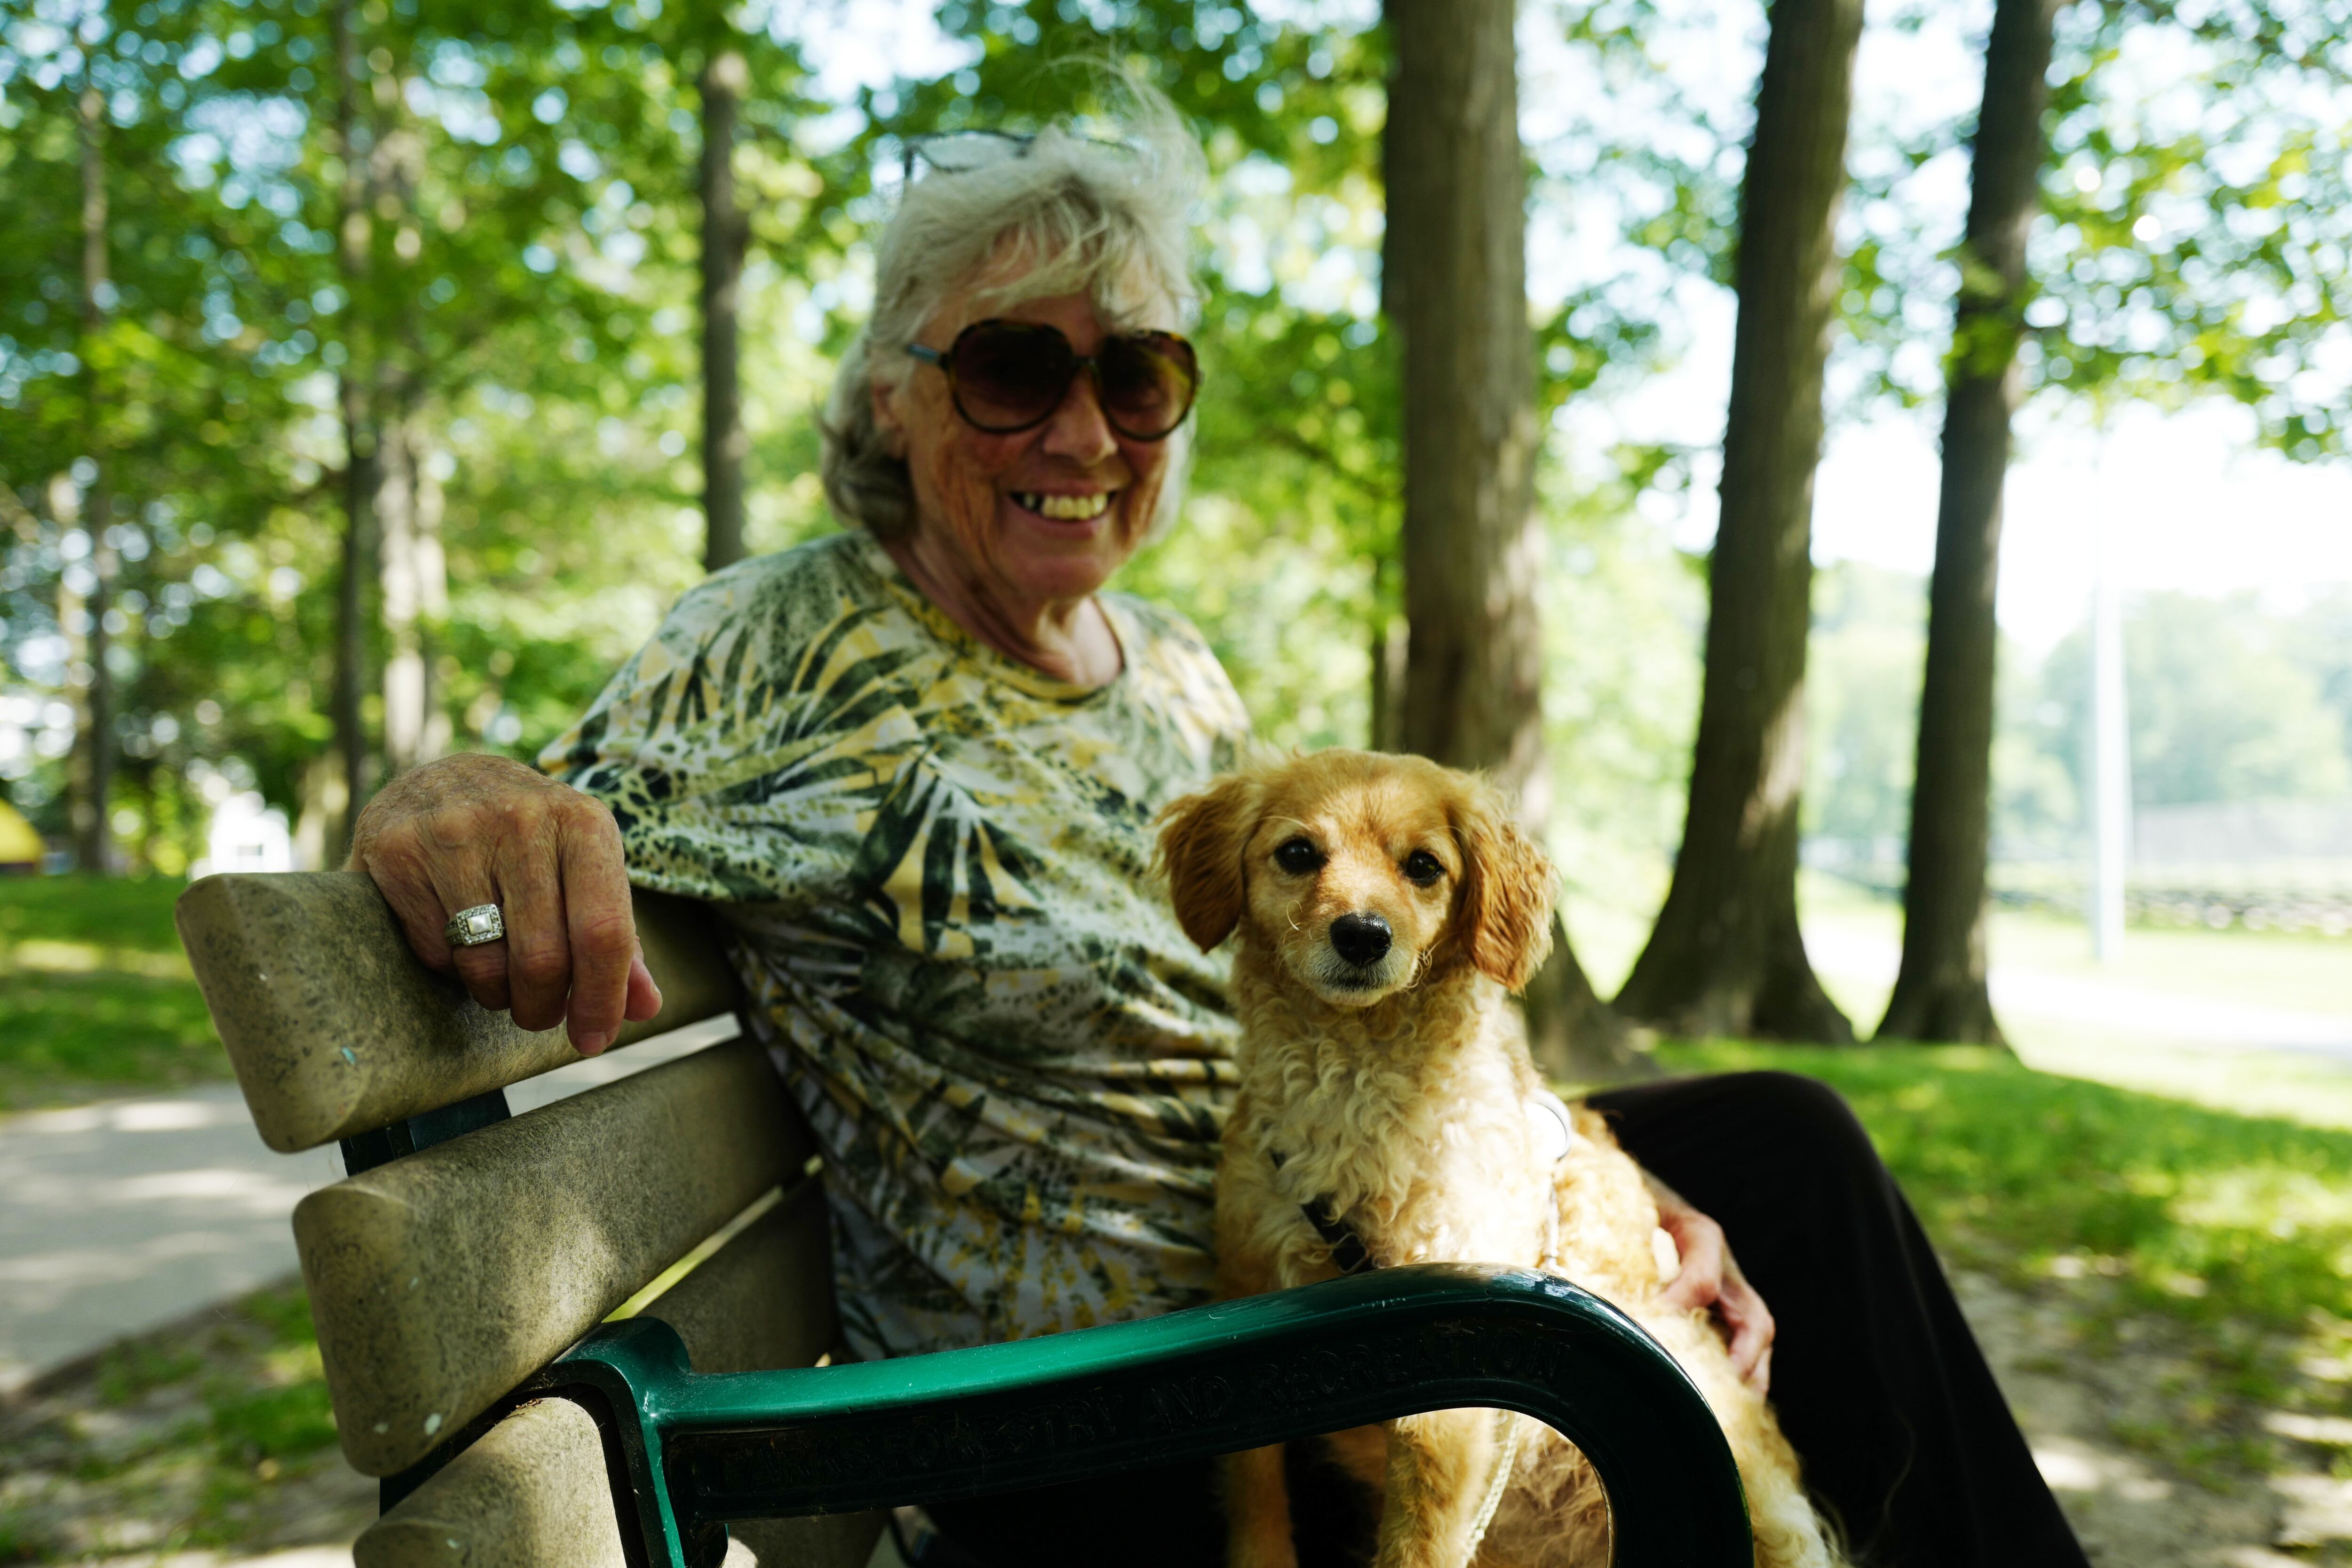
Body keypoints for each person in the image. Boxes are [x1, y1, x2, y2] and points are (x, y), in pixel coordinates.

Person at [349, 85, 2086, 1568]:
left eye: (1139, 376)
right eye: (1013, 368)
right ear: (892, 393)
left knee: (1783, 1154)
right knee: (1774, 1199)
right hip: (1131, 1392)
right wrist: (446, 798)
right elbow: (548, 804)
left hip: (1332, 1243)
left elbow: (1361, 976)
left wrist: (1590, 1189)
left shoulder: (1169, 666)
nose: (1083, 431)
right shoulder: (791, 643)